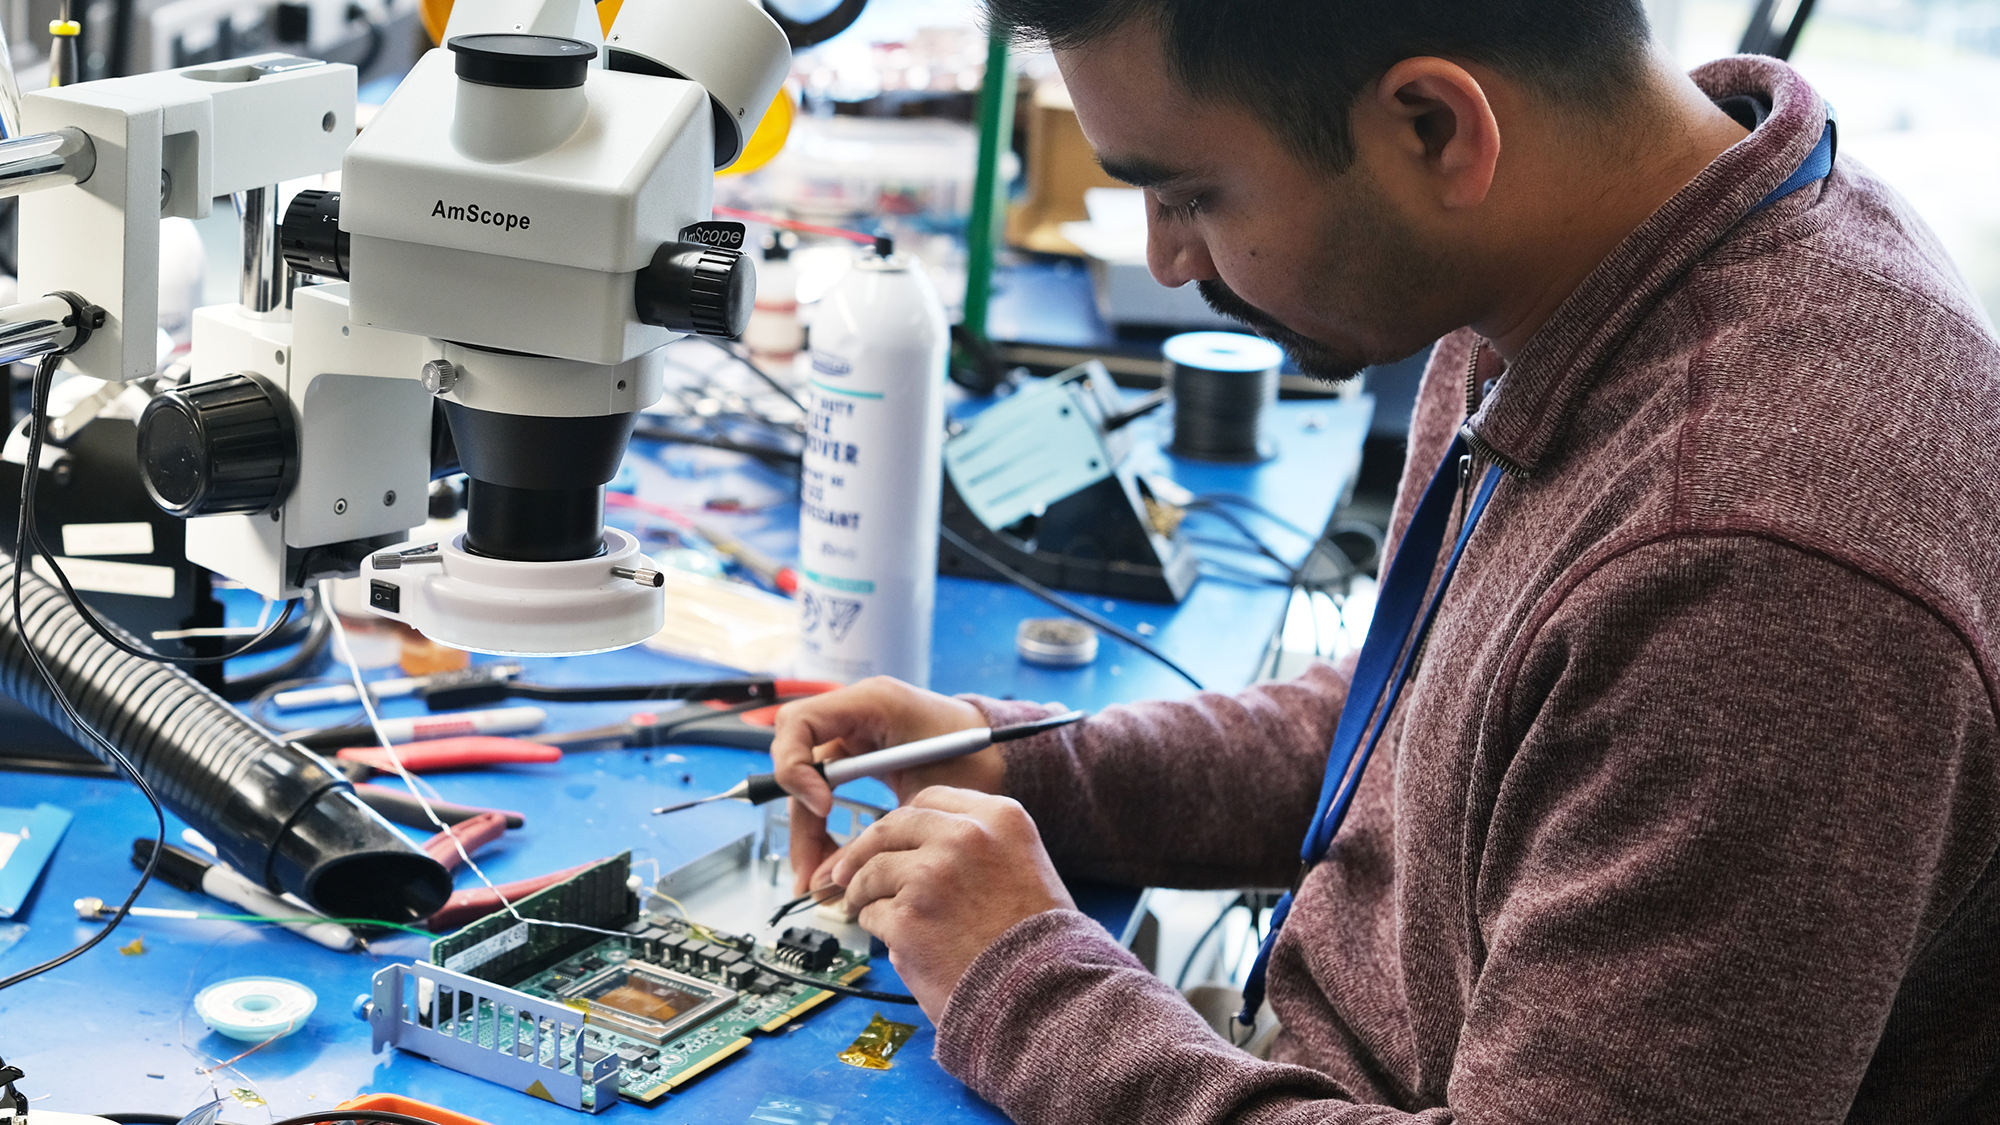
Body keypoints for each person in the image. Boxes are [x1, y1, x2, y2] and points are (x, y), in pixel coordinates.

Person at [770, 1, 2000, 1120]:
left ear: (1431, 126)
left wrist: (1022, 977)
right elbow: (1426, 725)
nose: (1165, 261)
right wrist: (1034, 764)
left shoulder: (1753, 577)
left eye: (1190, 195)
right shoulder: (1591, 260)